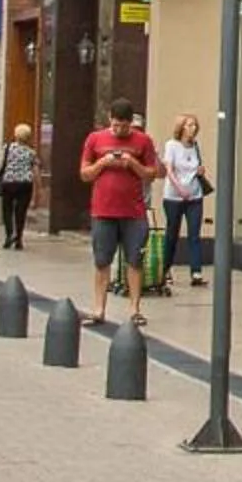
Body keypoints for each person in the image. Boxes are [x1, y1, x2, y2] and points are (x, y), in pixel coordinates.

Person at [77, 98, 162, 328]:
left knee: (135, 260)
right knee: (102, 260)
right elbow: (85, 174)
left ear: (130, 123)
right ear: (109, 120)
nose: (119, 130)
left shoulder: (143, 141)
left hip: (133, 212)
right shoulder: (95, 139)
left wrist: (132, 163)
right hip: (103, 211)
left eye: (124, 126)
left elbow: (151, 174)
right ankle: (98, 308)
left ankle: (135, 309)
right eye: (115, 125)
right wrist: (102, 163)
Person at [160, 114, 208, 294]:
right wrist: (179, 188)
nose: (192, 129)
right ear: (181, 128)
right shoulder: (172, 145)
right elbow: (169, 170)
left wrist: (200, 171)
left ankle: (196, 272)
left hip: (195, 195)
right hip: (174, 197)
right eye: (189, 125)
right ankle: (165, 269)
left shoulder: (195, 146)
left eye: (194, 125)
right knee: (172, 233)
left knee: (194, 234)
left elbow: (196, 168)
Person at [0, 123, 37, 250]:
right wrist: (38, 188)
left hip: (9, 182)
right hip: (25, 184)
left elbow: (0, 164)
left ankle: (9, 235)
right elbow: (35, 170)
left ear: (16, 135)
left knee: (7, 209)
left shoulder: (7, 148)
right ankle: (19, 239)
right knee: (21, 211)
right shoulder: (31, 152)